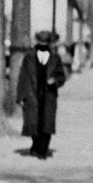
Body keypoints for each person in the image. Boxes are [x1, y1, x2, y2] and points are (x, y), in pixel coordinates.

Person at [18, 30, 67, 160]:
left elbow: (62, 76)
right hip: (32, 94)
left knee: (47, 123)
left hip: (49, 95)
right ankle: (35, 144)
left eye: (45, 42)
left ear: (49, 43)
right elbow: (23, 76)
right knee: (33, 122)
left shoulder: (56, 58)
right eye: (40, 42)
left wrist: (55, 81)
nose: (43, 44)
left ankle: (42, 150)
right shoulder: (29, 57)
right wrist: (20, 96)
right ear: (37, 42)